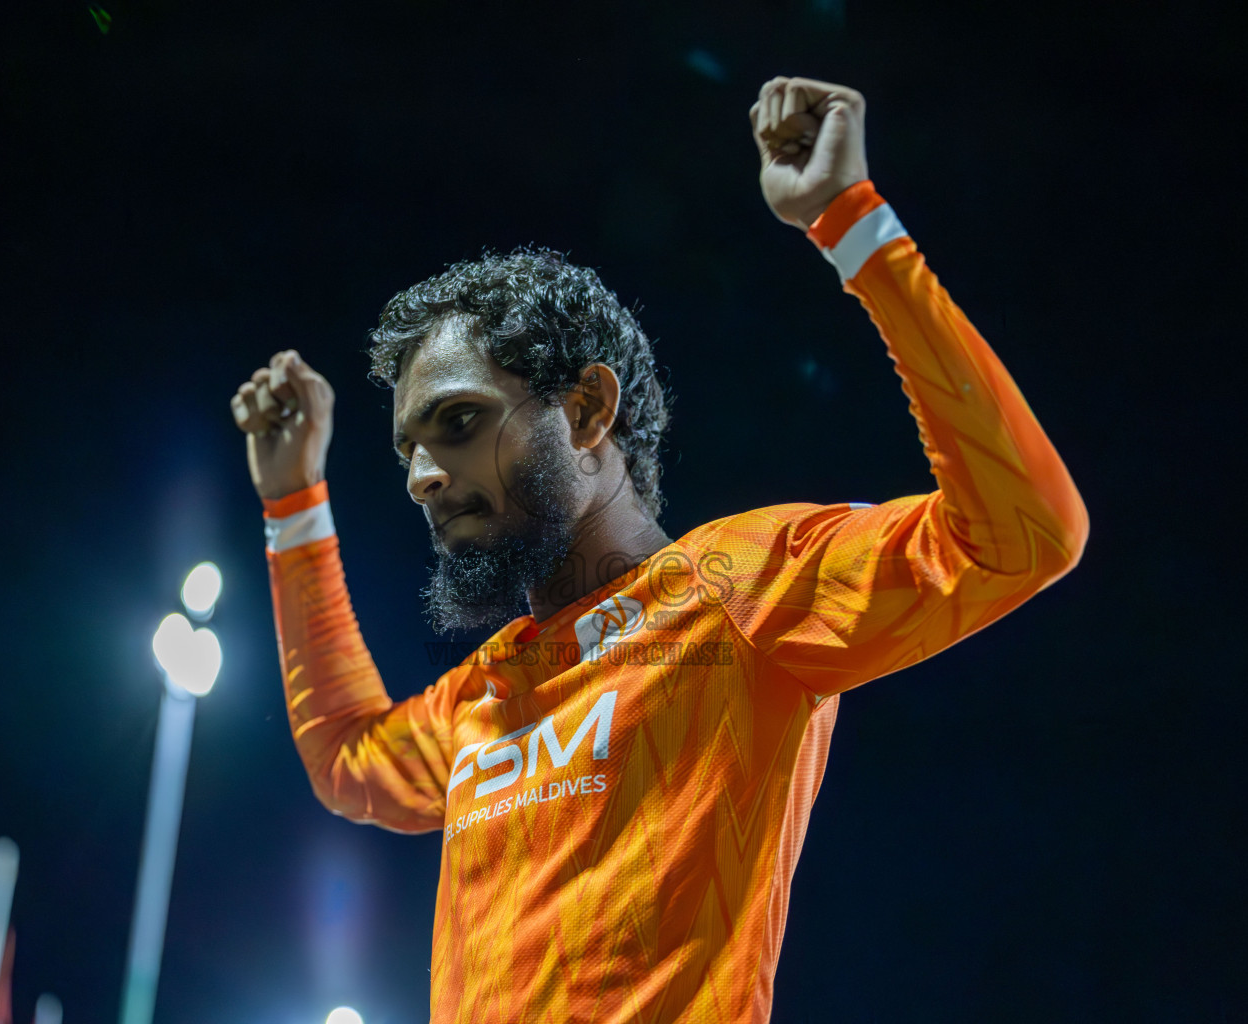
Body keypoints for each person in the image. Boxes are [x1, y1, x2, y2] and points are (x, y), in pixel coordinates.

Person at [231, 75, 1088, 1024]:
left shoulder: (743, 589)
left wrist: (852, 223)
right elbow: (349, 760)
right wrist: (293, 507)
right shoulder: (487, 693)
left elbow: (1026, 531)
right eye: (408, 449)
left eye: (460, 422)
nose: (421, 477)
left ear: (588, 409)